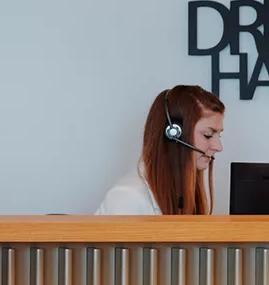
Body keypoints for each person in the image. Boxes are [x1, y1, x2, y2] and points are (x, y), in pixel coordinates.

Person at [96, 84, 226, 215]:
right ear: (174, 134)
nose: (218, 147)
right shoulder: (128, 199)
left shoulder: (183, 192)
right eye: (208, 135)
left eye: (218, 135)